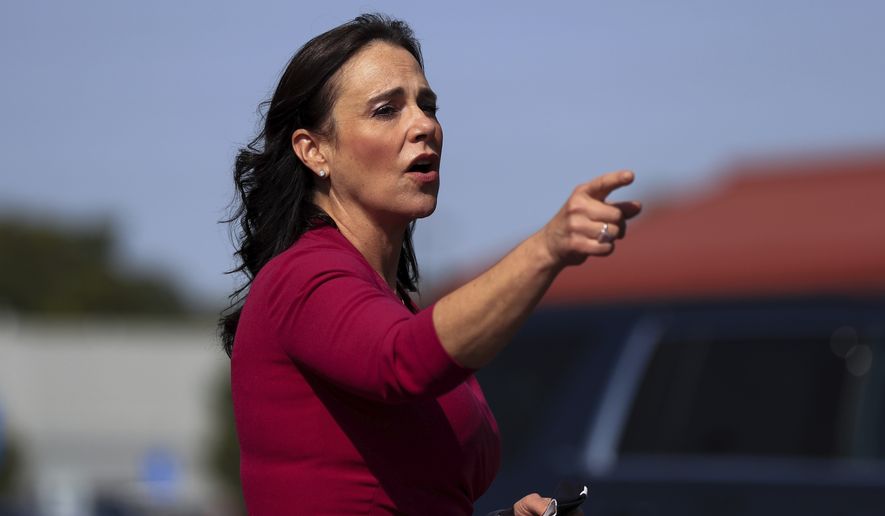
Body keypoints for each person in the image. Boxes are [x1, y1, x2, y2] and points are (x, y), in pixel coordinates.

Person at [220, 13, 641, 516]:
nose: (424, 125)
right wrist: (547, 248)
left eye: (428, 105)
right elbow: (402, 361)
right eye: (385, 110)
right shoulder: (300, 277)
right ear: (315, 151)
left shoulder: (391, 303)